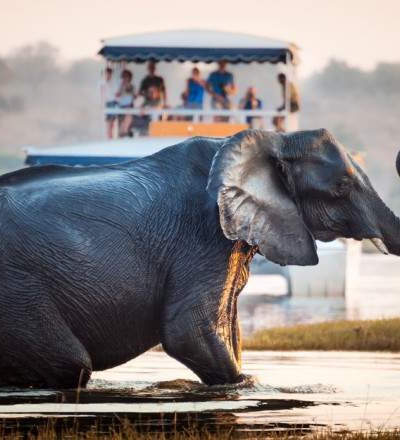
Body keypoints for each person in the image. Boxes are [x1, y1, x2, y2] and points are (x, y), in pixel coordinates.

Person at [100, 67, 118, 139]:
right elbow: (102, 94)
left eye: (109, 74)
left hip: (113, 102)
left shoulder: (114, 82)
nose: (108, 75)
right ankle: (109, 136)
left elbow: (116, 94)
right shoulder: (102, 83)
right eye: (106, 74)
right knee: (108, 122)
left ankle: (111, 136)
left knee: (112, 122)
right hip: (107, 103)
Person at [116, 69, 135, 137]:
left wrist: (127, 86)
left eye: (127, 76)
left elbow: (133, 95)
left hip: (129, 106)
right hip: (121, 106)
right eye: (124, 76)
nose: (126, 78)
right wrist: (122, 86)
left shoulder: (131, 86)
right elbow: (117, 95)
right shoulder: (120, 86)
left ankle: (126, 132)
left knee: (128, 120)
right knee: (121, 122)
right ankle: (121, 134)